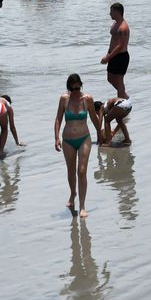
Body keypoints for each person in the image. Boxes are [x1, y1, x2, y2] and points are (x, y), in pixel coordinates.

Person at [53, 73, 102, 217]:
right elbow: (58, 119)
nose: (75, 91)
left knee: (81, 171)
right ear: (69, 88)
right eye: (72, 89)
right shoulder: (64, 99)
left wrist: (101, 133)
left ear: (80, 86)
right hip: (67, 140)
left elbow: (94, 119)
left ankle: (82, 206)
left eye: (77, 88)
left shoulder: (87, 99)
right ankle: (73, 193)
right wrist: (56, 137)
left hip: (84, 138)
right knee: (70, 170)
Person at [100, 3, 131, 99]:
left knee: (119, 80)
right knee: (110, 78)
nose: (110, 13)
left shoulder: (123, 27)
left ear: (117, 12)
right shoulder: (115, 24)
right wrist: (108, 54)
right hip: (113, 55)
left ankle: (122, 101)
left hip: (121, 56)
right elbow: (113, 41)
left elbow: (120, 46)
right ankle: (124, 96)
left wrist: (108, 57)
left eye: (111, 11)